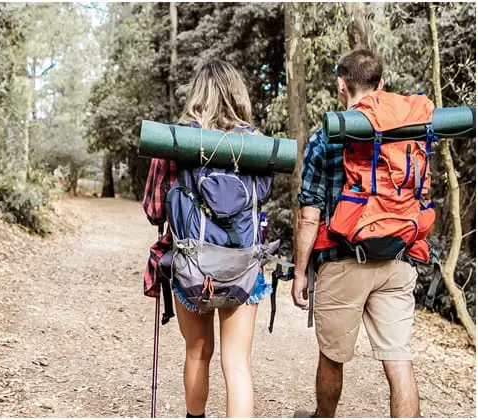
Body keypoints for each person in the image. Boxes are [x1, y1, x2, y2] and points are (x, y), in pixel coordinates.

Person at [292, 49, 421, 418]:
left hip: (343, 260)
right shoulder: (406, 132)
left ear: (341, 85)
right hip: (398, 259)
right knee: (399, 361)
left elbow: (309, 214)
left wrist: (301, 272)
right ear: (380, 85)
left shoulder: (326, 137)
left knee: (333, 356)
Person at [142, 59, 271, 418]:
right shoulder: (257, 145)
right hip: (244, 268)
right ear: (238, 94)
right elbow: (264, 196)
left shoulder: (174, 141)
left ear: (197, 94)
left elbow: (154, 210)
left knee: (197, 352)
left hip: (192, 268)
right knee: (238, 363)